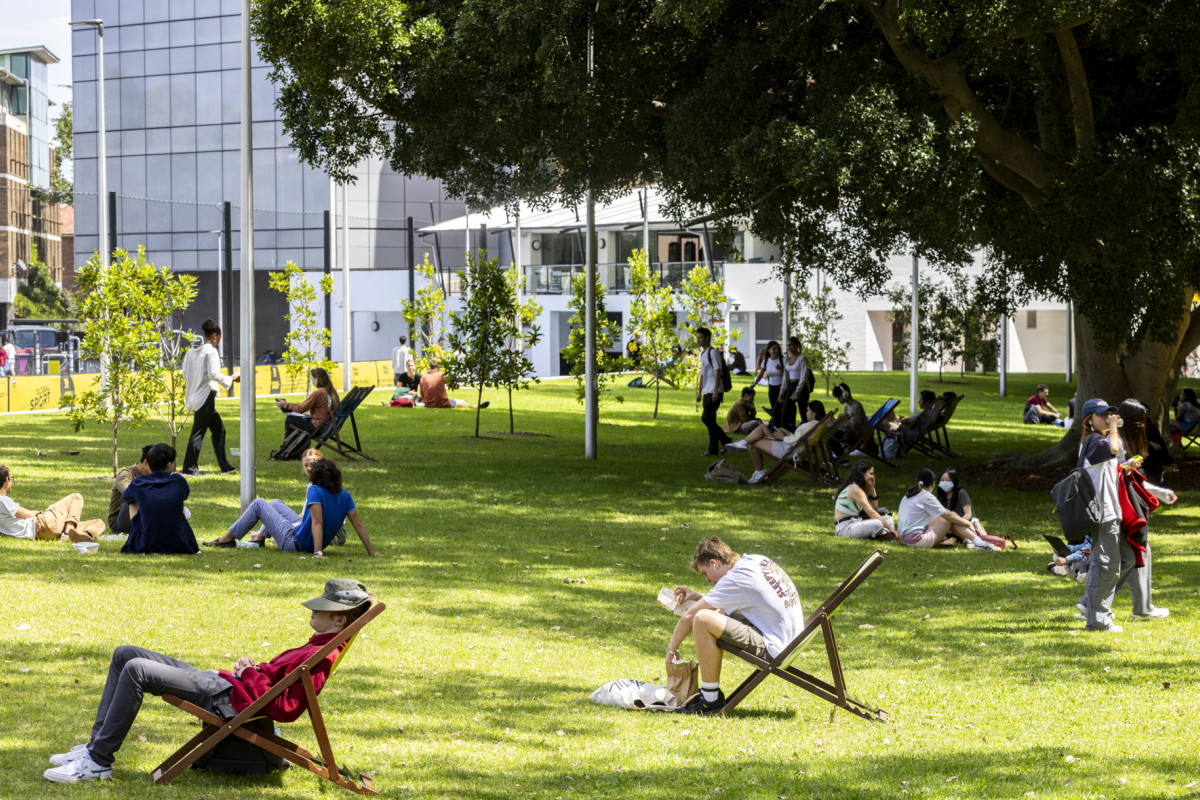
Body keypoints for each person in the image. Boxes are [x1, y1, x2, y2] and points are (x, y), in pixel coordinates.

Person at [42, 579, 373, 783]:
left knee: (137, 670)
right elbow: (276, 680)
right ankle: (94, 747)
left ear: (339, 620)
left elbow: (286, 709)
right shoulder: (317, 645)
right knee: (124, 654)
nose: (313, 612)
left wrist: (248, 673)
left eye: (322, 609)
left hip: (228, 699)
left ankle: (98, 763)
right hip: (230, 688)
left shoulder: (320, 656)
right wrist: (253, 669)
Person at [666, 537, 804, 715]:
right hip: (792, 640)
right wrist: (696, 596)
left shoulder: (736, 579)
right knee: (713, 614)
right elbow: (729, 599)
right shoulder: (755, 561)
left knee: (702, 619)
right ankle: (710, 695)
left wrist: (672, 650)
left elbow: (688, 617)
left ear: (714, 563)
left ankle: (710, 699)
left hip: (777, 649)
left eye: (705, 573)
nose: (707, 580)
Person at [1073, 398, 1177, 632]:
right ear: (1089, 420)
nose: (1109, 417)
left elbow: (1111, 469)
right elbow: (1112, 448)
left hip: (1110, 511)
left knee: (1119, 561)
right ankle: (1098, 619)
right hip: (1104, 513)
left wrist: (1126, 467)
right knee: (1106, 566)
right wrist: (1113, 427)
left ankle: (1097, 612)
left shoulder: (1097, 442)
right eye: (1103, 415)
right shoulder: (1096, 441)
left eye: (1110, 413)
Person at [205, 459, 378, 558]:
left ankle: (226, 539)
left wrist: (317, 552)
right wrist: (371, 552)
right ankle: (259, 539)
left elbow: (318, 522)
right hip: (302, 534)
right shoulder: (345, 494)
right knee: (275, 503)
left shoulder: (315, 490)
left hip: (294, 543)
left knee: (259, 504)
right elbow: (358, 525)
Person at [181, 319, 240, 476]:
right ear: (214, 335)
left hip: (194, 397)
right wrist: (232, 378)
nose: (218, 342)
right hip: (205, 398)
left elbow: (185, 374)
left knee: (219, 430)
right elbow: (213, 374)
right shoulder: (211, 352)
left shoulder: (190, 352)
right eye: (219, 338)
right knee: (198, 433)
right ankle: (189, 468)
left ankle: (225, 467)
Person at [120, 444, 198, 555]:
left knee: (132, 501)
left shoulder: (139, 482)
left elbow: (126, 497)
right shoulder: (178, 481)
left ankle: (136, 532)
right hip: (179, 543)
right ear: (169, 464)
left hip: (145, 542)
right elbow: (184, 495)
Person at [895, 467, 1000, 550]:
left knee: (947, 518)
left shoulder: (908, 495)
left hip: (905, 539)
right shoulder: (927, 497)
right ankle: (980, 543)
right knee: (949, 519)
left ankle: (974, 541)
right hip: (916, 541)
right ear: (933, 484)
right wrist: (967, 524)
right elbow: (948, 515)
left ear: (916, 481)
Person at [0, 465, 105, 543]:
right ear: (6, 481)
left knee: (99, 523)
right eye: (11, 478)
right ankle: (67, 533)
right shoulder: (2, 500)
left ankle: (83, 534)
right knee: (76, 497)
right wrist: (38, 512)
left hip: (47, 533)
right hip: (42, 524)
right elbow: (27, 514)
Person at [742, 400, 824, 484]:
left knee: (753, 443)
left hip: (789, 450)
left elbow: (795, 441)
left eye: (808, 411)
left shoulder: (811, 425)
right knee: (761, 431)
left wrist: (783, 437)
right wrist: (788, 433)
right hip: (795, 449)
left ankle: (759, 472)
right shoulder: (817, 425)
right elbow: (799, 438)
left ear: (814, 413)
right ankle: (744, 444)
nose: (806, 413)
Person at [833, 461, 897, 540]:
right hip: (846, 527)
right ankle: (883, 535)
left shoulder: (858, 488)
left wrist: (872, 487)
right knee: (877, 524)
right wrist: (891, 529)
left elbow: (874, 507)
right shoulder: (855, 490)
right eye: (871, 474)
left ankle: (881, 534)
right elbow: (872, 513)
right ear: (862, 474)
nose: (873, 476)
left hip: (857, 522)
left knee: (888, 519)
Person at [696, 327, 731, 456]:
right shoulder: (703, 354)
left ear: (707, 338)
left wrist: (716, 391)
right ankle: (713, 449)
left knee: (706, 418)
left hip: (714, 390)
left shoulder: (713, 352)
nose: (698, 340)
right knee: (710, 419)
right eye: (697, 338)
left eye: (700, 337)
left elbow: (718, 371)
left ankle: (725, 440)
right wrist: (699, 391)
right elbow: (703, 374)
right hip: (707, 390)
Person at [275, 366, 340, 437]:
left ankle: (289, 444)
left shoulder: (319, 393)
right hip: (326, 426)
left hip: (317, 427)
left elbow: (300, 409)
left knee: (290, 419)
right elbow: (324, 410)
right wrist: (311, 415)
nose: (312, 383)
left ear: (317, 378)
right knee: (298, 419)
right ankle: (294, 443)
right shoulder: (331, 392)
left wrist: (285, 404)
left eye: (312, 380)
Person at [934, 467, 991, 541]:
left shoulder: (961, 492)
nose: (945, 482)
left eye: (948, 480)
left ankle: (971, 538)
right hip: (949, 527)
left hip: (963, 525)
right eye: (942, 480)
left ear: (954, 481)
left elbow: (968, 514)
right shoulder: (941, 497)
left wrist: (957, 522)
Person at [108, 445, 153, 533]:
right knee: (134, 498)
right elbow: (128, 493)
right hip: (119, 523)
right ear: (146, 462)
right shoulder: (126, 473)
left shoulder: (153, 476)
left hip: (143, 520)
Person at [776, 336, 811, 430]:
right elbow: (785, 376)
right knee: (784, 412)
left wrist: (798, 390)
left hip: (802, 387)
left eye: (791, 345)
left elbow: (804, 375)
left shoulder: (802, 358)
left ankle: (806, 434)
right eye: (787, 345)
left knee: (804, 412)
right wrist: (782, 391)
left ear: (796, 345)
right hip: (791, 386)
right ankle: (786, 433)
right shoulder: (787, 358)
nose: (789, 348)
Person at [830, 382, 870, 459]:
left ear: (845, 395)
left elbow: (852, 427)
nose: (838, 399)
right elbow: (847, 422)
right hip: (852, 433)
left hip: (859, 436)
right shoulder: (847, 406)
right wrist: (840, 420)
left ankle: (839, 456)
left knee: (832, 433)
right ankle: (837, 454)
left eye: (839, 397)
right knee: (831, 431)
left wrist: (840, 421)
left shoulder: (856, 406)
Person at [417, 367, 488, 409]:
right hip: (442, 403)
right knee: (461, 401)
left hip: (428, 404)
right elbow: (455, 386)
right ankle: (475, 407)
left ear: (430, 368)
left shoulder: (423, 378)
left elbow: (422, 394)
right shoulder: (441, 375)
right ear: (438, 368)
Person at [749, 340, 784, 420]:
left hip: (781, 388)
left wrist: (781, 369)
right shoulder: (766, 361)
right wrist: (754, 384)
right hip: (772, 388)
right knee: (775, 408)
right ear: (768, 350)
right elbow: (760, 375)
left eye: (777, 349)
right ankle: (776, 423)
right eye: (774, 349)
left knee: (778, 409)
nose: (776, 351)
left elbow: (787, 374)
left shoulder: (782, 360)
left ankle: (775, 421)